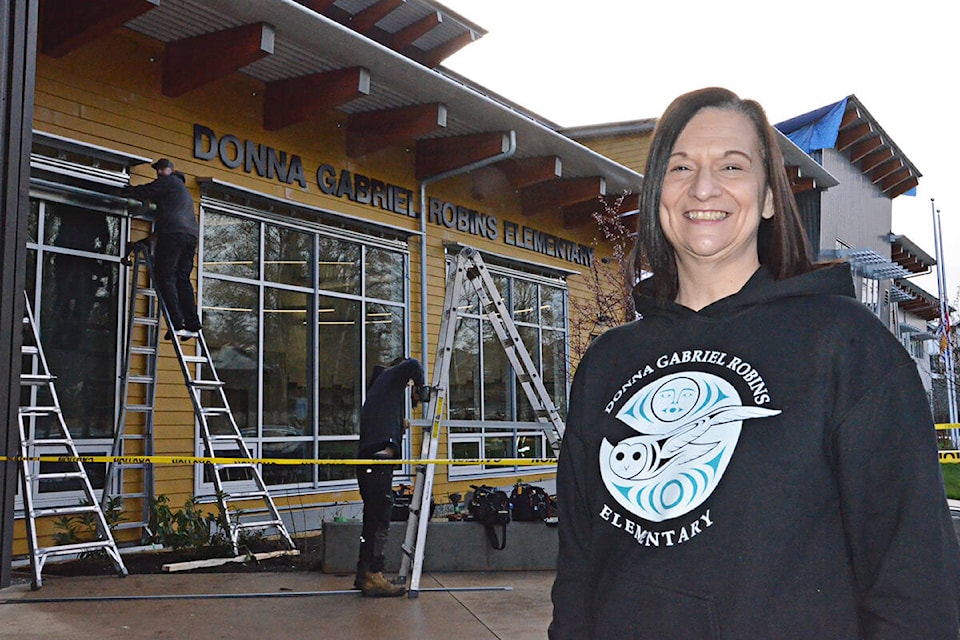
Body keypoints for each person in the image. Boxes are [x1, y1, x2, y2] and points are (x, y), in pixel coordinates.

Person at [549, 87, 960, 639]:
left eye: (732, 165)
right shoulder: (607, 362)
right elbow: (578, 572)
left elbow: (915, 584)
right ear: (658, 194)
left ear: (769, 196)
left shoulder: (845, 346)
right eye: (680, 167)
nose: (703, 187)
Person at [354, 357, 425, 597]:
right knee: (380, 520)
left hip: (369, 463)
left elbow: (382, 422)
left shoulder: (379, 392)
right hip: (378, 463)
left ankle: (364, 574)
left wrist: (398, 425)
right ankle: (375, 575)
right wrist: (419, 389)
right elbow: (414, 365)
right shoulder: (392, 376)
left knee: (371, 520)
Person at [124, 158, 201, 339]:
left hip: (174, 234)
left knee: (165, 276)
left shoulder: (170, 182)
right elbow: (160, 229)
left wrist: (127, 191)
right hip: (190, 236)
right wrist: (144, 241)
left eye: (161, 169)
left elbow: (147, 190)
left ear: (170, 170)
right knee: (182, 278)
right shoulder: (178, 196)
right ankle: (193, 322)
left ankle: (176, 321)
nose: (158, 173)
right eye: (157, 170)